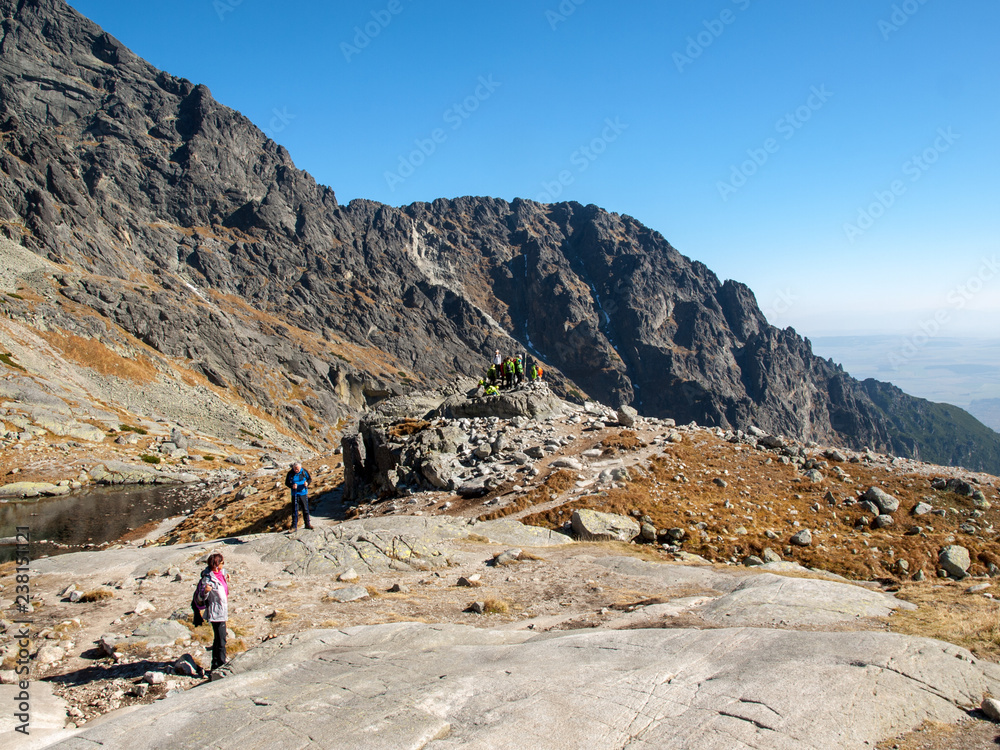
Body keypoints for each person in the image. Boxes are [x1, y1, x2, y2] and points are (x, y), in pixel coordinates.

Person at [195, 552, 229, 672]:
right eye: (221, 563)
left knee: (219, 639)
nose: (223, 565)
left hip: (222, 611)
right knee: (221, 639)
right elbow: (200, 598)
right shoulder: (208, 579)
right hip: (216, 613)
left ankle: (215, 664)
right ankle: (220, 664)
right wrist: (205, 591)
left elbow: (223, 574)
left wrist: (227, 576)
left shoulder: (220, 573)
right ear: (215, 565)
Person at [284, 461, 312, 531]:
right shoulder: (290, 473)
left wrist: (307, 483)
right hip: (295, 494)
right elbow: (287, 482)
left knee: (305, 509)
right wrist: (292, 486)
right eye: (295, 469)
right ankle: (294, 527)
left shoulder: (304, 471)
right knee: (295, 510)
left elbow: (309, 479)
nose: (296, 470)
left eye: (297, 469)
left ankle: (307, 524)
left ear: (300, 468)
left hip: (303, 493)